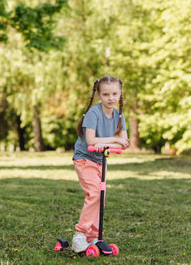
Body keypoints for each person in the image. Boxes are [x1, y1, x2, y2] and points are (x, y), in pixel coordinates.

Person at [71, 75, 129, 253]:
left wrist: (105, 143)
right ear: (98, 95)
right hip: (84, 159)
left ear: (119, 94)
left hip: (100, 161)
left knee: (100, 198)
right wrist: (113, 140)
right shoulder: (93, 114)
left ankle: (93, 237)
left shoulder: (119, 116)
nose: (111, 98)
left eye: (114, 94)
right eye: (106, 94)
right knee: (94, 194)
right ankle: (80, 235)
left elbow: (125, 142)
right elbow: (90, 141)